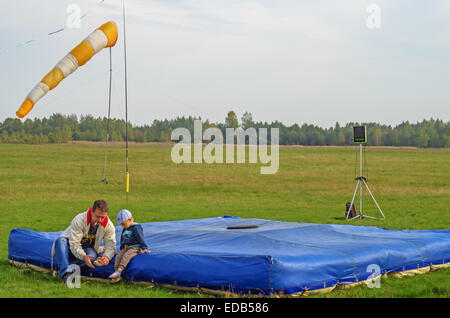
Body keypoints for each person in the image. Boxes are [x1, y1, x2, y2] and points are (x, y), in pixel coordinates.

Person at [51, 200, 116, 284]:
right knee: (60, 241)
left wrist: (107, 257)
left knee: (92, 257)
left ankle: (65, 267)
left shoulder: (109, 226)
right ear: (92, 212)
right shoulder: (79, 220)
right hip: (70, 246)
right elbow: (74, 244)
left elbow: (111, 245)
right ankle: (65, 274)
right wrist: (83, 256)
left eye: (102, 217)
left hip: (87, 249)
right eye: (97, 216)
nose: (100, 220)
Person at [109, 209, 150, 282]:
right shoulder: (125, 228)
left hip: (135, 247)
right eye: (121, 224)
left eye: (124, 224)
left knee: (126, 255)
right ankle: (116, 275)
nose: (123, 226)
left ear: (131, 219)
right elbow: (123, 239)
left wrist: (144, 248)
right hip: (126, 247)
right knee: (118, 256)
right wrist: (121, 250)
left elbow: (140, 238)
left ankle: (119, 271)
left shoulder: (136, 227)